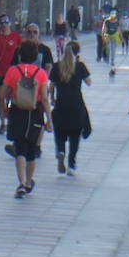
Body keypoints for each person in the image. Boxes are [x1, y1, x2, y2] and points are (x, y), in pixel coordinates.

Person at [2, 42, 52, 199]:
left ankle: (21, 182)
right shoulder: (41, 73)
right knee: (31, 150)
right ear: (36, 56)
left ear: (19, 54)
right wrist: (49, 119)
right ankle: (29, 182)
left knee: (20, 148)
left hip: (17, 111)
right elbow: (44, 98)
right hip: (35, 112)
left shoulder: (12, 71)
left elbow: (2, 93)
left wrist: (4, 107)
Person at [49, 41, 91, 176]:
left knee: (59, 132)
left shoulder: (56, 67)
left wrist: (52, 99)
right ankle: (71, 164)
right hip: (76, 104)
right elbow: (89, 82)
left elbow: (51, 86)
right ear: (77, 54)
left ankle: (61, 151)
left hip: (61, 104)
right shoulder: (80, 66)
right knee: (75, 136)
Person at [0, 14, 23, 134]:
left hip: (12, 73)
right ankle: (2, 123)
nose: (4, 25)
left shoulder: (16, 37)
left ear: (10, 23)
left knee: (11, 98)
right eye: (1, 23)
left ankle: (10, 121)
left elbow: (21, 52)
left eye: (6, 22)